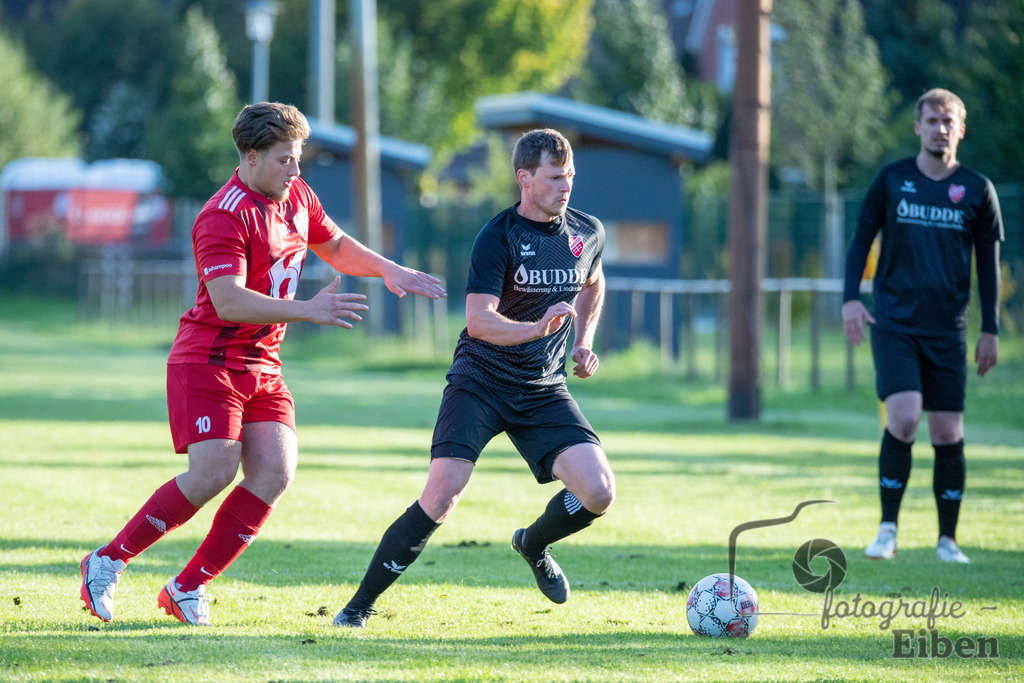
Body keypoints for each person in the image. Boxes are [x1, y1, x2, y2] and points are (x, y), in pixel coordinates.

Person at [78, 102, 447, 626]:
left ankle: (187, 587)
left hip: (263, 363)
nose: (295, 170)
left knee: (275, 470)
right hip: (210, 360)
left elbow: (335, 245)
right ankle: (108, 560)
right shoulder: (223, 214)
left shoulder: (297, 194)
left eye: (298, 158)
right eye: (284, 159)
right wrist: (308, 310)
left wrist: (390, 270)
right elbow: (228, 300)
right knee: (213, 472)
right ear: (251, 157)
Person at [333, 128, 615, 628]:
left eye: (569, 175)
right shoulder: (498, 236)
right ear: (524, 178)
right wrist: (536, 328)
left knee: (598, 492)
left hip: (543, 388)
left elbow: (593, 281)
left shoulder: (587, 231)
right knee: (442, 494)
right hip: (480, 382)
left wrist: (584, 341)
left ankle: (533, 543)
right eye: (554, 177)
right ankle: (358, 607)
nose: (566, 186)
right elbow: (479, 321)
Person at [842, 88, 1003, 564]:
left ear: (961, 130)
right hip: (894, 322)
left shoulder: (977, 189)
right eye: (931, 121)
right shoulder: (893, 179)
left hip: (948, 330)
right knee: (906, 417)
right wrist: (850, 299)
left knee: (947, 432)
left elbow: (989, 266)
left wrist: (990, 328)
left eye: (948, 122)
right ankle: (887, 530)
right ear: (918, 127)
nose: (939, 129)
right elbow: (860, 239)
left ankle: (947, 541)